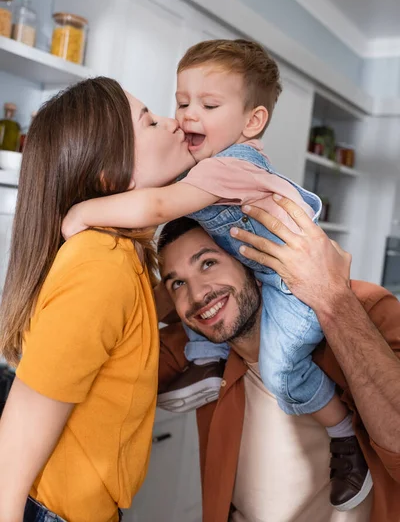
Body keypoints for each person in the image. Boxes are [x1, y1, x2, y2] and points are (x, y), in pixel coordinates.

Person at [62, 39, 369, 509]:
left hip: (293, 288)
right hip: (256, 270)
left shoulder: (232, 166)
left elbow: (159, 203)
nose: (187, 116)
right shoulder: (209, 165)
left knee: (280, 366)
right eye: (182, 102)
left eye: (208, 104)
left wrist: (82, 211)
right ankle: (206, 362)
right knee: (207, 296)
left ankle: (345, 437)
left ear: (252, 121)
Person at [0, 77, 195, 522]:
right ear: (111, 174)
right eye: (149, 121)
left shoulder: (117, 254)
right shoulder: (100, 262)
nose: (173, 123)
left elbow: (123, 330)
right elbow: (16, 443)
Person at [157, 202, 400, 522]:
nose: (198, 294)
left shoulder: (361, 308)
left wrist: (333, 299)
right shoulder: (201, 345)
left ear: (251, 260)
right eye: (178, 283)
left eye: (208, 263)